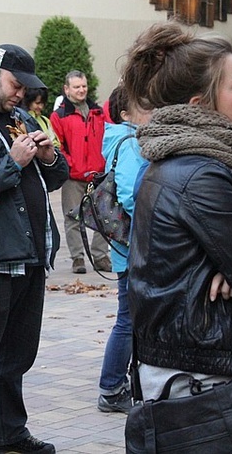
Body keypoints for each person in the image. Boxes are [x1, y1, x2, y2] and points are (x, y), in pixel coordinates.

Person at [125, 22, 232, 449]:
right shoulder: (203, 173)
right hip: (202, 385)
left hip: (183, 373)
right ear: (200, 105)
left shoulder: (178, 162)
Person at [0, 43, 68, 454]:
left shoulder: (21, 118)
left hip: (32, 253)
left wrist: (48, 154)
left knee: (18, 354)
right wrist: (15, 163)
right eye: (15, 84)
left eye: (26, 87)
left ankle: (9, 433)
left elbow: (58, 177)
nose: (22, 94)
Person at [96, 86, 149, 414]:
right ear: (125, 113)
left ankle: (118, 382)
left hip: (123, 245)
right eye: (143, 105)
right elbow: (131, 195)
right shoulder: (130, 142)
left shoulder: (118, 138)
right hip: (133, 245)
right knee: (128, 318)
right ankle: (112, 387)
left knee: (129, 316)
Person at [50, 70, 110, 274]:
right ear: (67, 89)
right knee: (73, 218)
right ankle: (78, 258)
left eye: (83, 86)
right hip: (73, 177)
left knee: (104, 216)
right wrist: (70, 165)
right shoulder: (59, 116)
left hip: (98, 174)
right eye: (76, 87)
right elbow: (58, 145)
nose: (81, 90)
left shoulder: (98, 113)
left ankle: (100, 256)